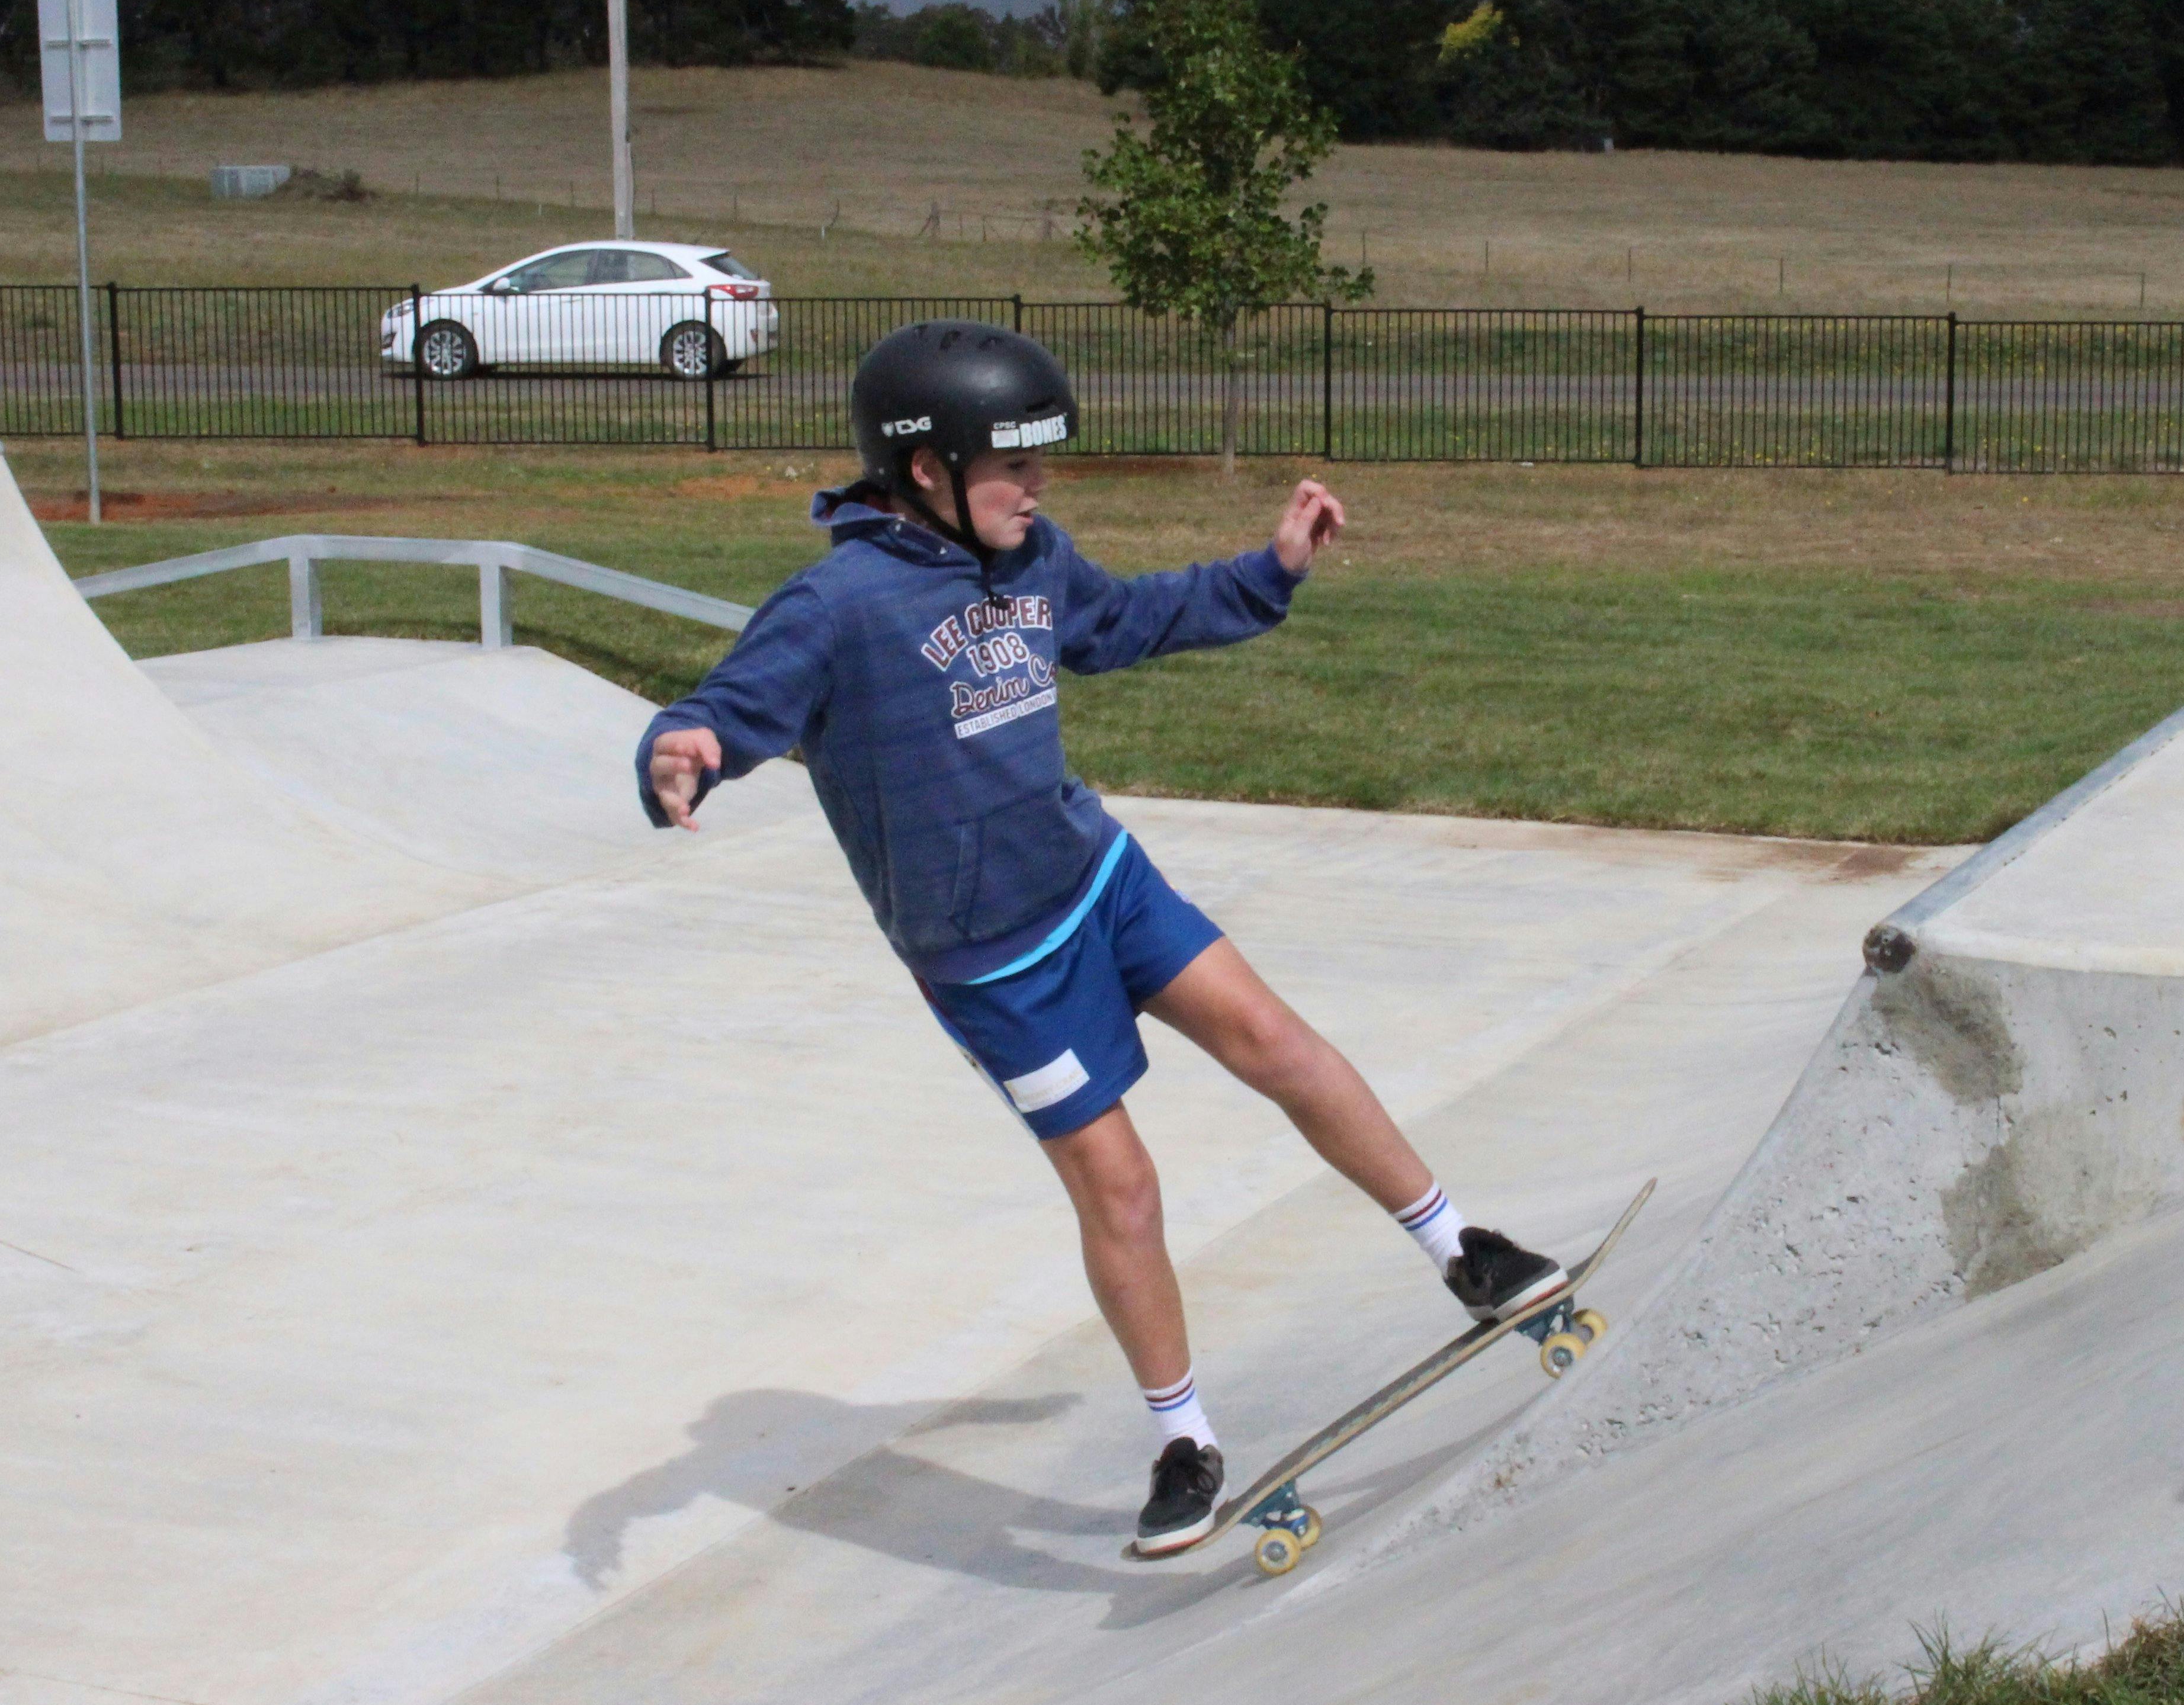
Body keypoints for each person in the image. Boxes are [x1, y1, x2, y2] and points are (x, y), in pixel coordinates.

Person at [633, 322, 1572, 1558]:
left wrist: (1269, 571)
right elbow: (731, 706)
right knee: (1120, 1184)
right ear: (925, 471)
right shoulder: (838, 605)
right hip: (989, 961)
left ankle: (1465, 1253)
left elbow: (1121, 621)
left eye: (1042, 468)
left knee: (1273, 1040)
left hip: (1098, 879)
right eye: (1012, 470)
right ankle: (1185, 1437)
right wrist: (688, 746)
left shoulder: (1026, 559)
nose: (1038, 492)